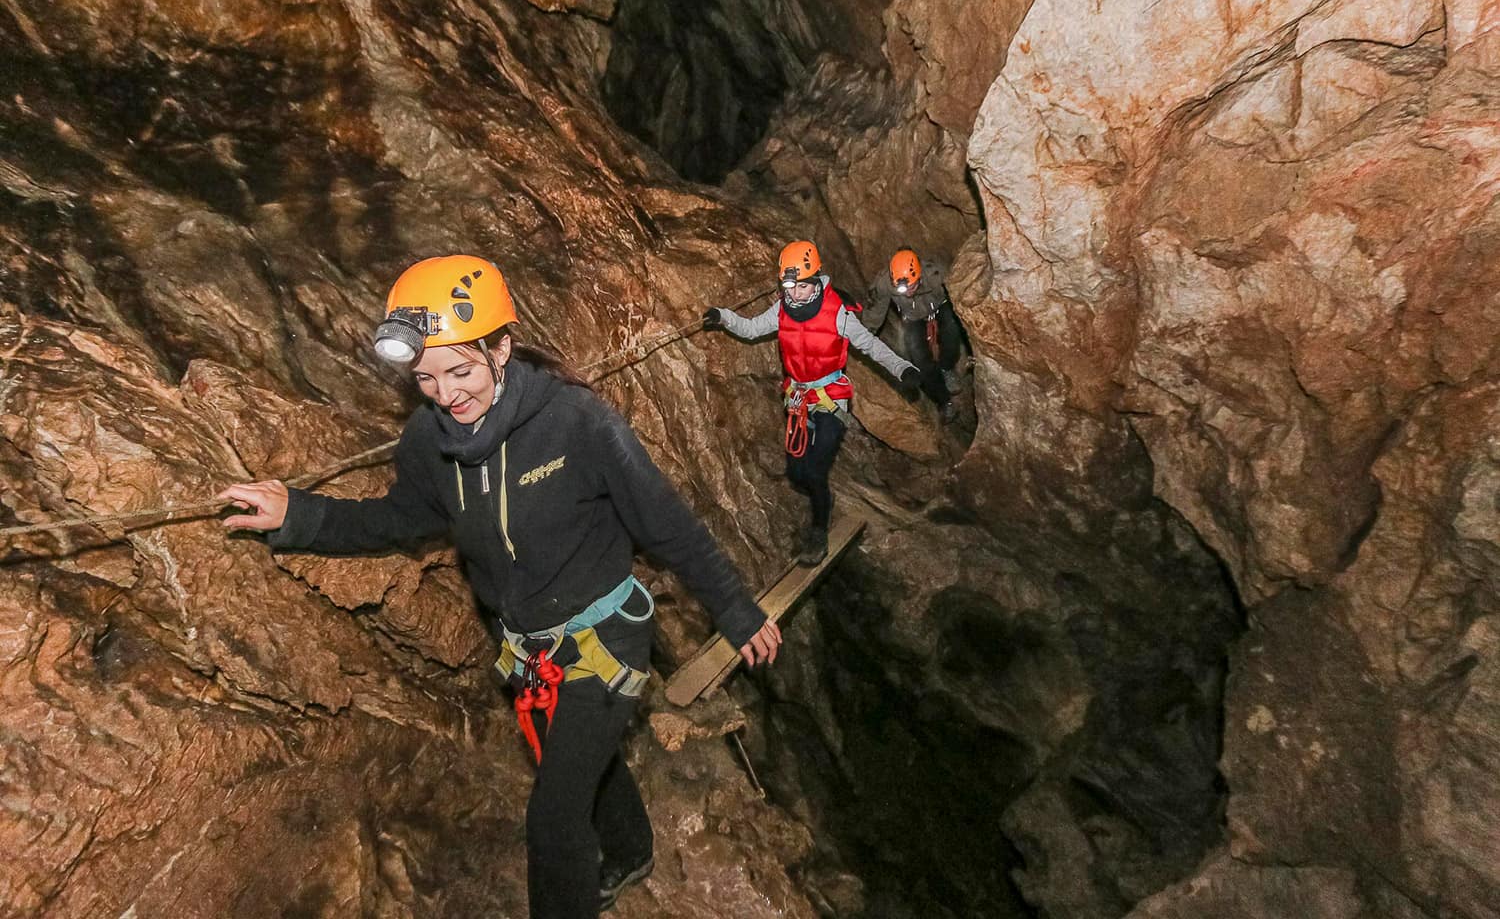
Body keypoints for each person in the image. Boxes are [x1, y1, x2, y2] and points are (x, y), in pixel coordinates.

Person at [217, 254, 781, 919]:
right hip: (527, 645)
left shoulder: (579, 423)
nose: (445, 392)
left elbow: (669, 527)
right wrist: (301, 514)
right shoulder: (427, 441)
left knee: (553, 816)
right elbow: (400, 519)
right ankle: (631, 854)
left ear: (501, 349)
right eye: (425, 378)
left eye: (460, 370)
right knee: (582, 762)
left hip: (607, 632)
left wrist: (738, 614)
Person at [702, 240, 920, 566]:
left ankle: (818, 531)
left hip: (831, 398)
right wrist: (723, 317)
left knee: (815, 471)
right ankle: (819, 496)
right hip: (799, 398)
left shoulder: (838, 315)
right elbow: (749, 330)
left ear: (817, 281)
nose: (797, 294)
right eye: (790, 287)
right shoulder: (781, 310)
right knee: (796, 472)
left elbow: (871, 346)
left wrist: (903, 369)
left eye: (803, 286)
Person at [863, 248, 965, 422]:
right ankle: (943, 401)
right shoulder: (884, 283)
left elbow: (959, 292)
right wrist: (866, 336)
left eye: (911, 286)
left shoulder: (935, 273)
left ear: (919, 276)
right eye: (901, 288)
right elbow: (875, 310)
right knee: (920, 360)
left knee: (951, 330)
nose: (907, 291)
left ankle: (947, 367)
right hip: (912, 316)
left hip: (941, 306)